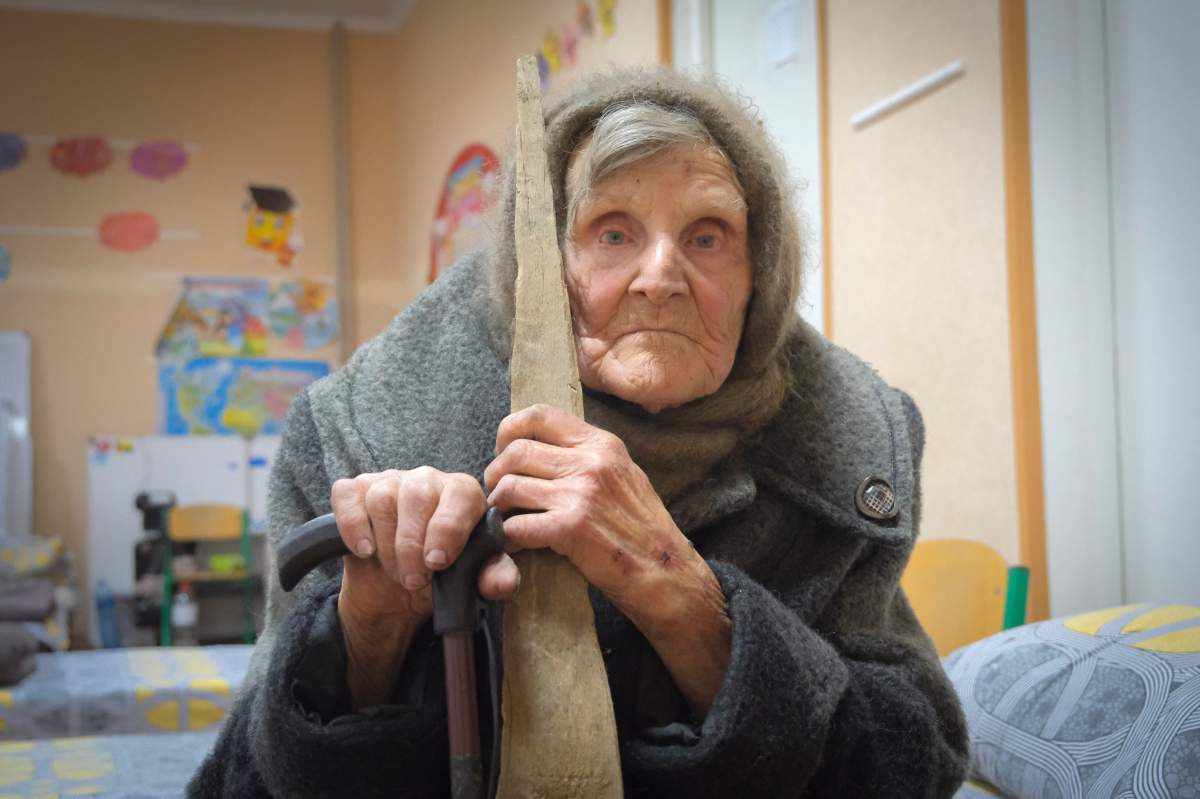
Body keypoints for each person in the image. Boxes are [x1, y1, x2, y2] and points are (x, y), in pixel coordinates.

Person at [188, 67, 968, 798]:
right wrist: (370, 632)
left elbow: (916, 762)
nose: (660, 276)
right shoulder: (357, 433)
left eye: (706, 237)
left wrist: (683, 595)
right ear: (543, 263)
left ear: (759, 274)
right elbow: (243, 782)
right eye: (612, 232)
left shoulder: (846, 451)